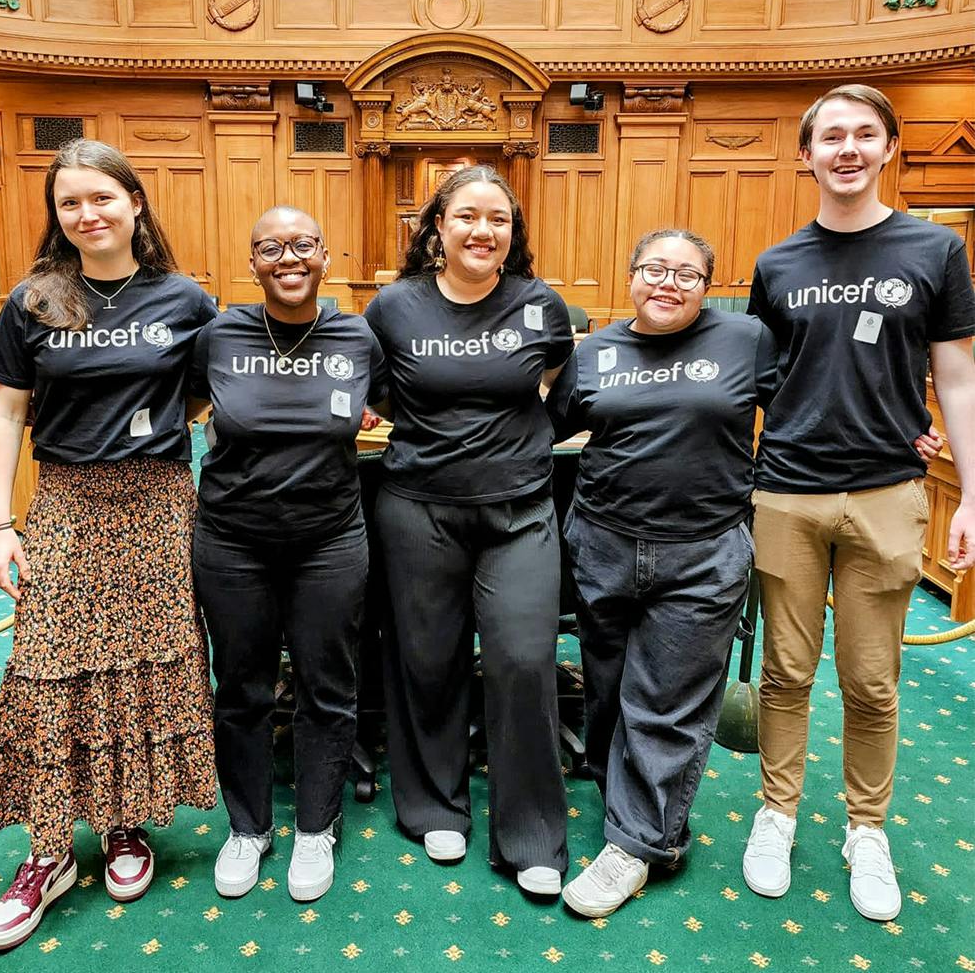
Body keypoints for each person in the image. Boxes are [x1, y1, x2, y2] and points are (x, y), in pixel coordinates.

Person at [0, 139, 218, 952]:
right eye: (70, 202)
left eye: (102, 197)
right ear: (58, 214)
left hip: (157, 505)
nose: (88, 214)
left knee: (143, 666)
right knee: (49, 665)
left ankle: (123, 823)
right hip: (67, 505)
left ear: (135, 202)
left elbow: (205, 396)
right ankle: (47, 851)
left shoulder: (185, 299)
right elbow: (7, 412)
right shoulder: (35, 299)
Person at [741, 84, 975, 922]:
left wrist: (971, 495)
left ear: (888, 147)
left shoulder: (935, 249)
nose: (848, 148)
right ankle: (777, 813)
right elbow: (756, 379)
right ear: (806, 154)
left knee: (873, 682)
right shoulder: (777, 264)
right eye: (831, 136)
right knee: (785, 674)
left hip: (887, 491)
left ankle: (865, 828)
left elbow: (956, 376)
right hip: (787, 491)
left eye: (864, 134)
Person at [547, 229, 778, 917]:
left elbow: (805, 409)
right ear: (631, 276)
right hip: (604, 544)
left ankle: (640, 844)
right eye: (654, 269)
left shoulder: (746, 341)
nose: (668, 284)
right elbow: (544, 429)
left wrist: (899, 431)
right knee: (610, 689)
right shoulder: (596, 352)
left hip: (702, 552)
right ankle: (626, 800)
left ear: (708, 286)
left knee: (666, 703)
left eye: (686, 274)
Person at [364, 165, 573, 896]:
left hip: (520, 510)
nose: (483, 231)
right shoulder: (394, 306)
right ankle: (434, 807)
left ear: (513, 233)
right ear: (437, 228)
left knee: (524, 658)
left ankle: (532, 834)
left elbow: (564, 383)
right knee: (426, 659)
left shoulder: (539, 304)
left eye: (499, 220)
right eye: (467, 217)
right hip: (418, 507)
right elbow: (378, 391)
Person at [191, 206, 388, 904]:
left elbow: (393, 406)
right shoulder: (219, 335)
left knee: (326, 686)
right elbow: (181, 407)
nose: (288, 258)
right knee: (241, 686)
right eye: (270, 248)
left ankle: (315, 825)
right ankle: (248, 827)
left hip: (328, 539)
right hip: (231, 539)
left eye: (303, 244)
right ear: (252, 264)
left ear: (325, 256)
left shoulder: (357, 336)